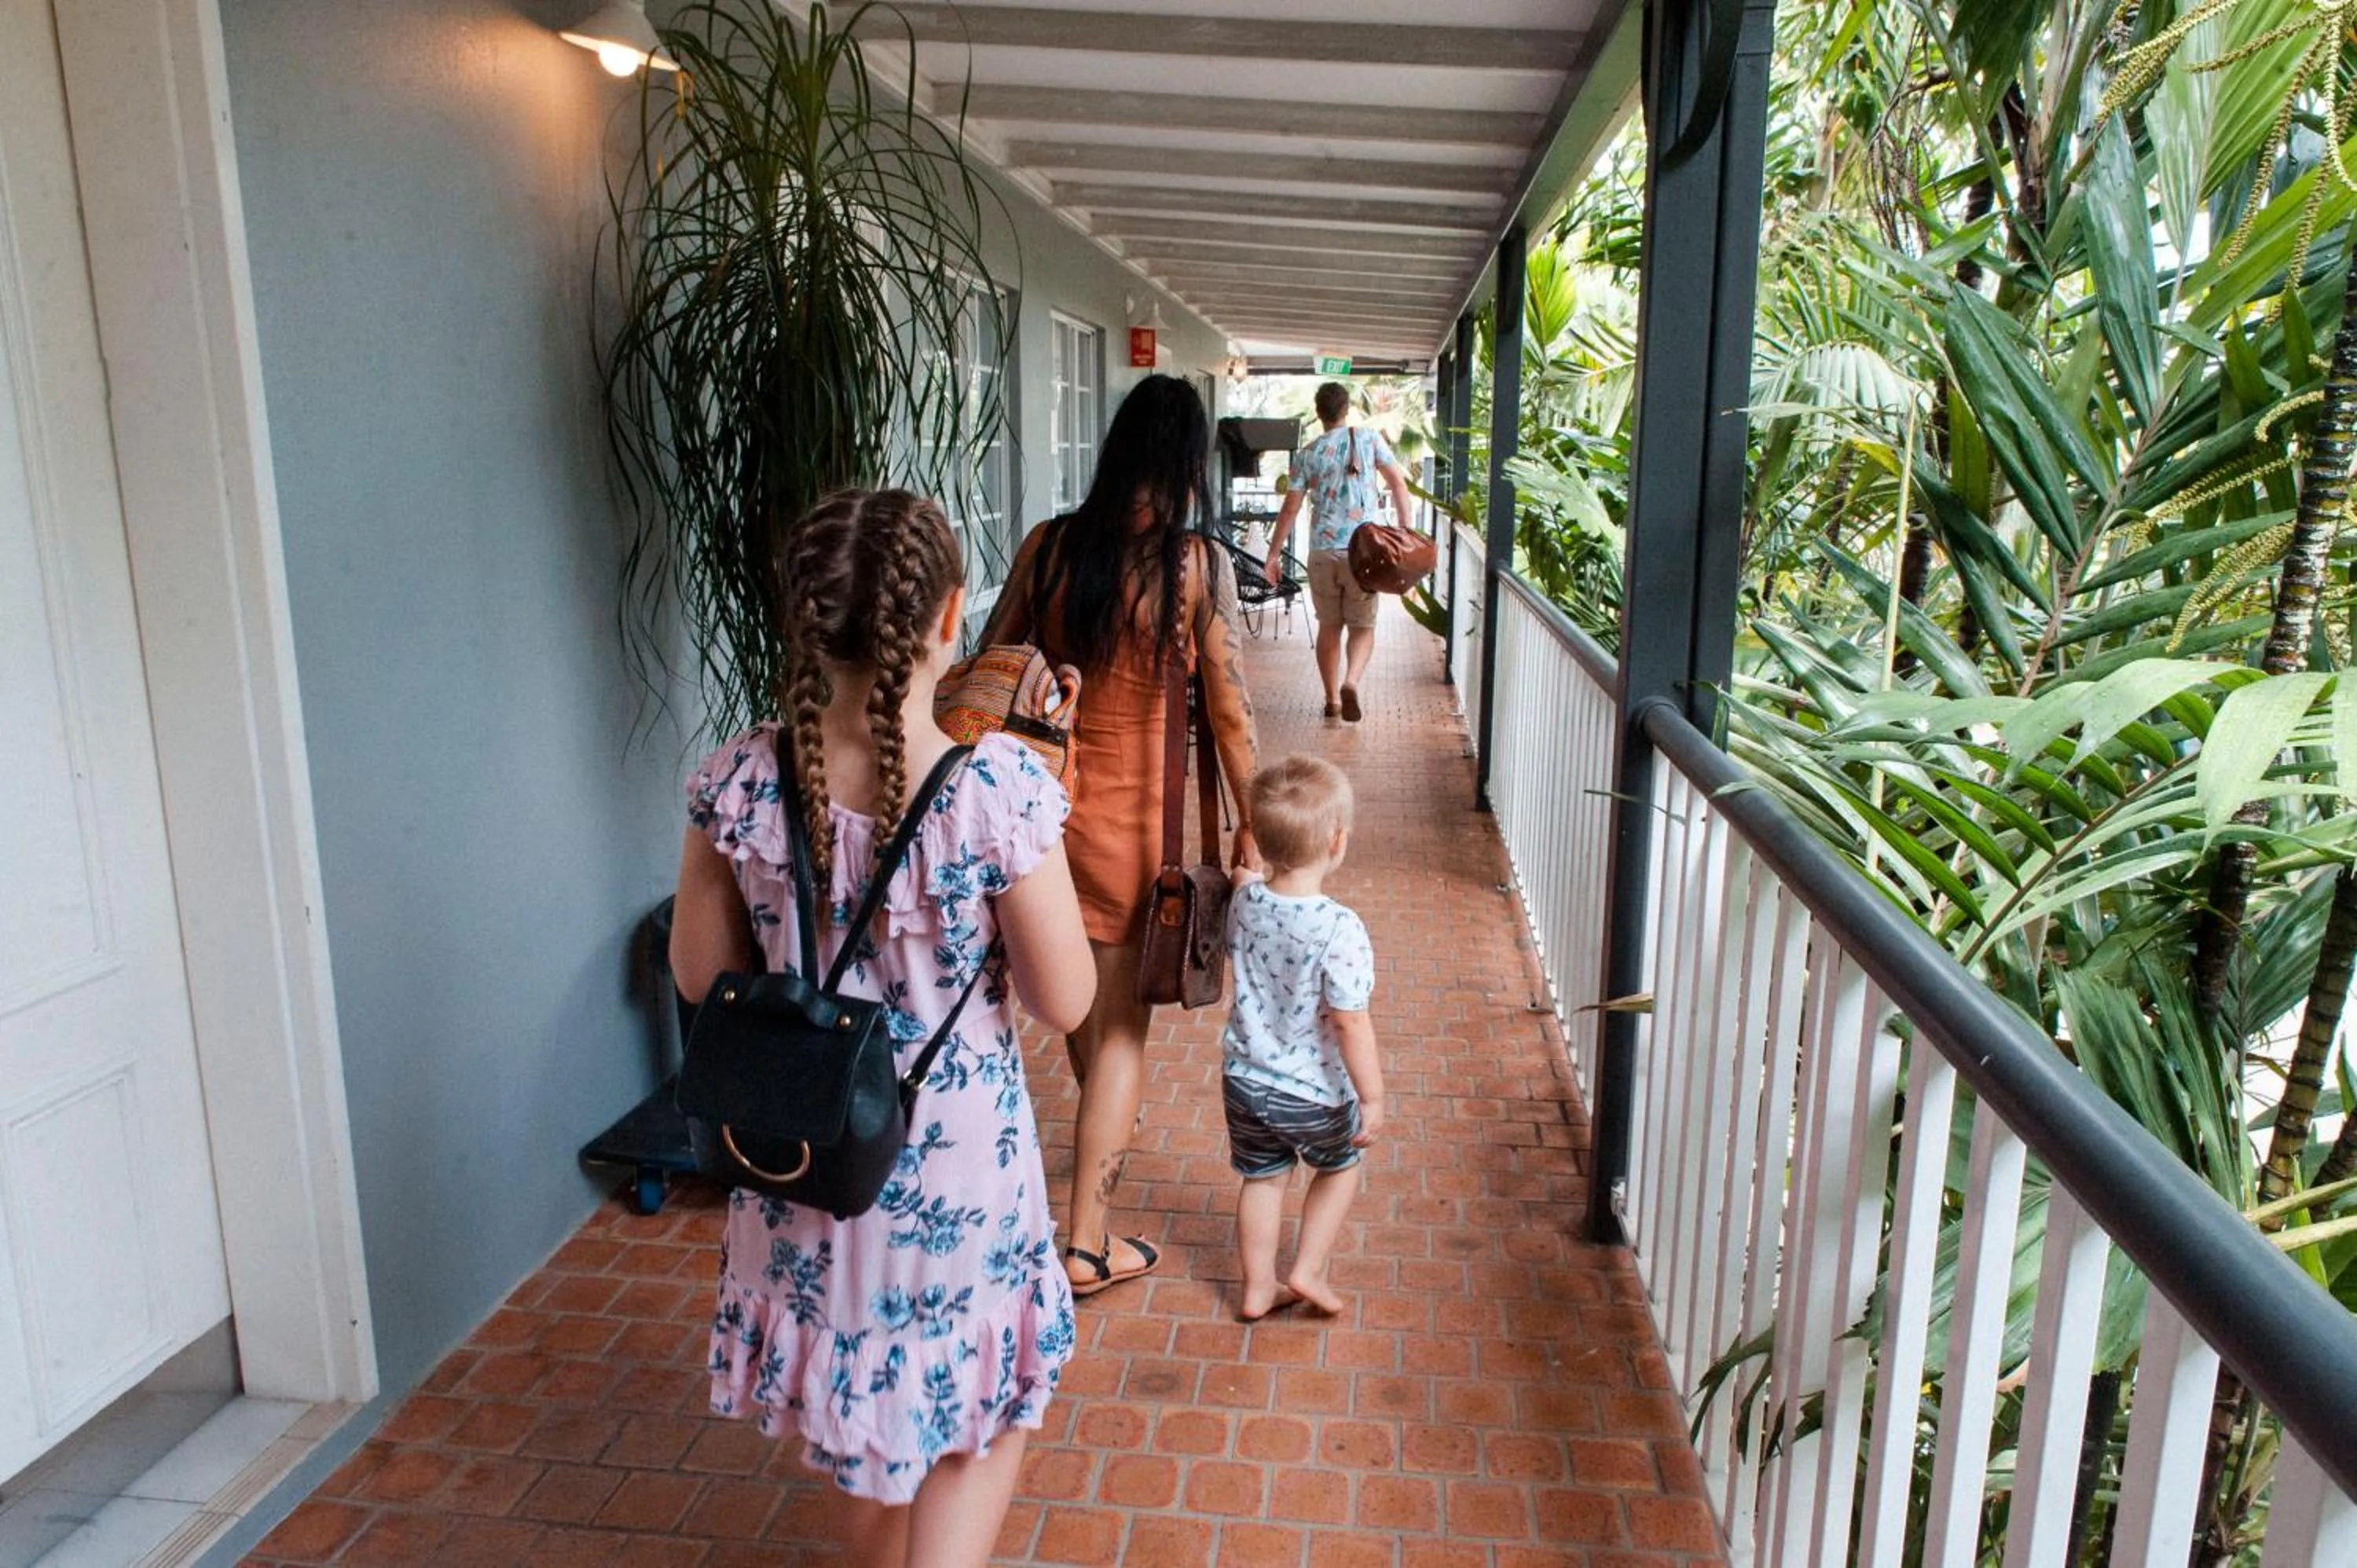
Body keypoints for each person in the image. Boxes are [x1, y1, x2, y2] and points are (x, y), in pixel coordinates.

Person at [669, 489, 1096, 1568]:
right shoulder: (995, 790)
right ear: (951, 618)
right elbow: (1066, 999)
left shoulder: (741, 780)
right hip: (950, 1172)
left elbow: (700, 976)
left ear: (802, 620)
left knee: (861, 1411)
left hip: (802, 1159)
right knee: (975, 1406)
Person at [980, 374, 1261, 1299]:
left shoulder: (1050, 546)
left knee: (1077, 1010)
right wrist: (1253, 823)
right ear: (1186, 463)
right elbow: (1229, 712)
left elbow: (991, 665)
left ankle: (1093, 1169)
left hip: (1039, 818)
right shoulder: (1191, 567)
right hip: (1136, 836)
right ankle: (1087, 1242)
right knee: (1122, 1035)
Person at [1220, 754, 1384, 1321]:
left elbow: (1244, 879)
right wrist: (1373, 1096)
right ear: (1338, 842)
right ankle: (1308, 1269)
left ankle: (1257, 1287)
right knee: (1339, 1167)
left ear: (1260, 842)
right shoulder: (1340, 928)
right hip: (1312, 1091)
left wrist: (1247, 869)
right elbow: (1350, 1020)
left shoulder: (1245, 901)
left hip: (1244, 1082)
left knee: (1262, 1180)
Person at [1263, 381, 1415, 722]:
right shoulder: (1369, 440)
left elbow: (1290, 508)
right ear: (1347, 410)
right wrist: (1405, 532)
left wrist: (1273, 555)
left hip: (1322, 553)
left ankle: (1332, 699)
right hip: (1362, 553)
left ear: (1319, 413)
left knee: (1329, 626)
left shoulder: (1308, 454)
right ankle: (1351, 681)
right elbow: (1398, 484)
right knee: (1363, 625)